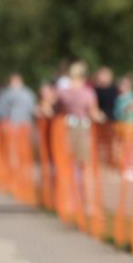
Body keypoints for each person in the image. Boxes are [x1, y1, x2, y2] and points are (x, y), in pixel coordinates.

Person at [55, 61, 106, 215]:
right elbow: (94, 112)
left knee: (69, 167)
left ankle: (70, 201)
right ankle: (88, 204)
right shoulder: (87, 93)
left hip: (66, 129)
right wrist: (104, 118)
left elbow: (57, 109)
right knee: (85, 168)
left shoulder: (63, 92)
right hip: (83, 129)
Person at [114, 73, 133, 182]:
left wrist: (130, 108)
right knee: (123, 147)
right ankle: (125, 167)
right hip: (121, 125)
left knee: (131, 147)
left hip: (131, 126)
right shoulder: (119, 97)